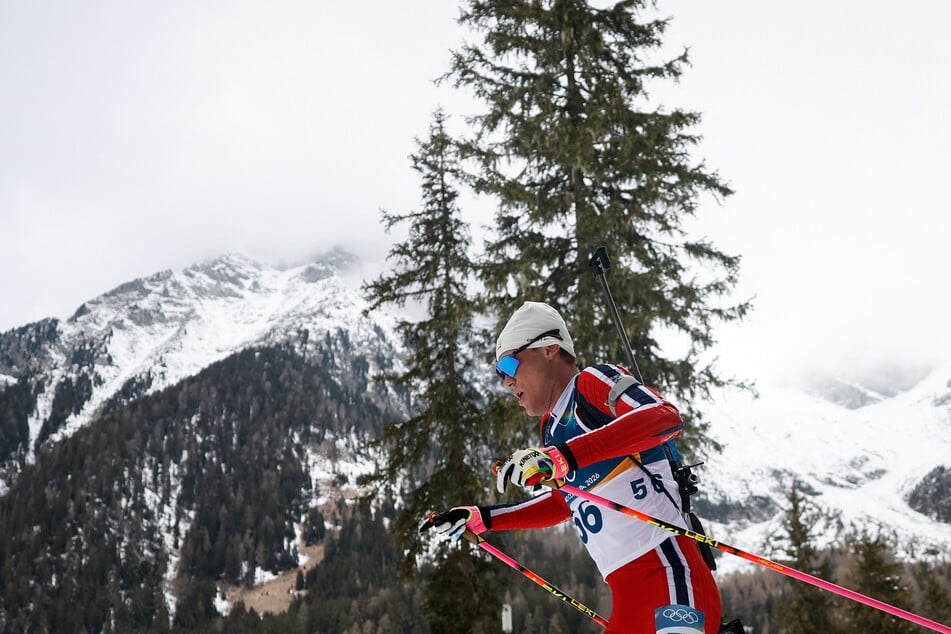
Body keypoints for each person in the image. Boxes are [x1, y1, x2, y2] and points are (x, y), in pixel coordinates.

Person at [421, 301, 722, 634]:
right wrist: (485, 518)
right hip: (628, 602)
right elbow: (567, 502)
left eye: (509, 364)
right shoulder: (550, 430)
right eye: (500, 373)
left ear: (550, 349)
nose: (507, 382)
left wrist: (561, 457)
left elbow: (662, 417)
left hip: (671, 576)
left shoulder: (591, 384)